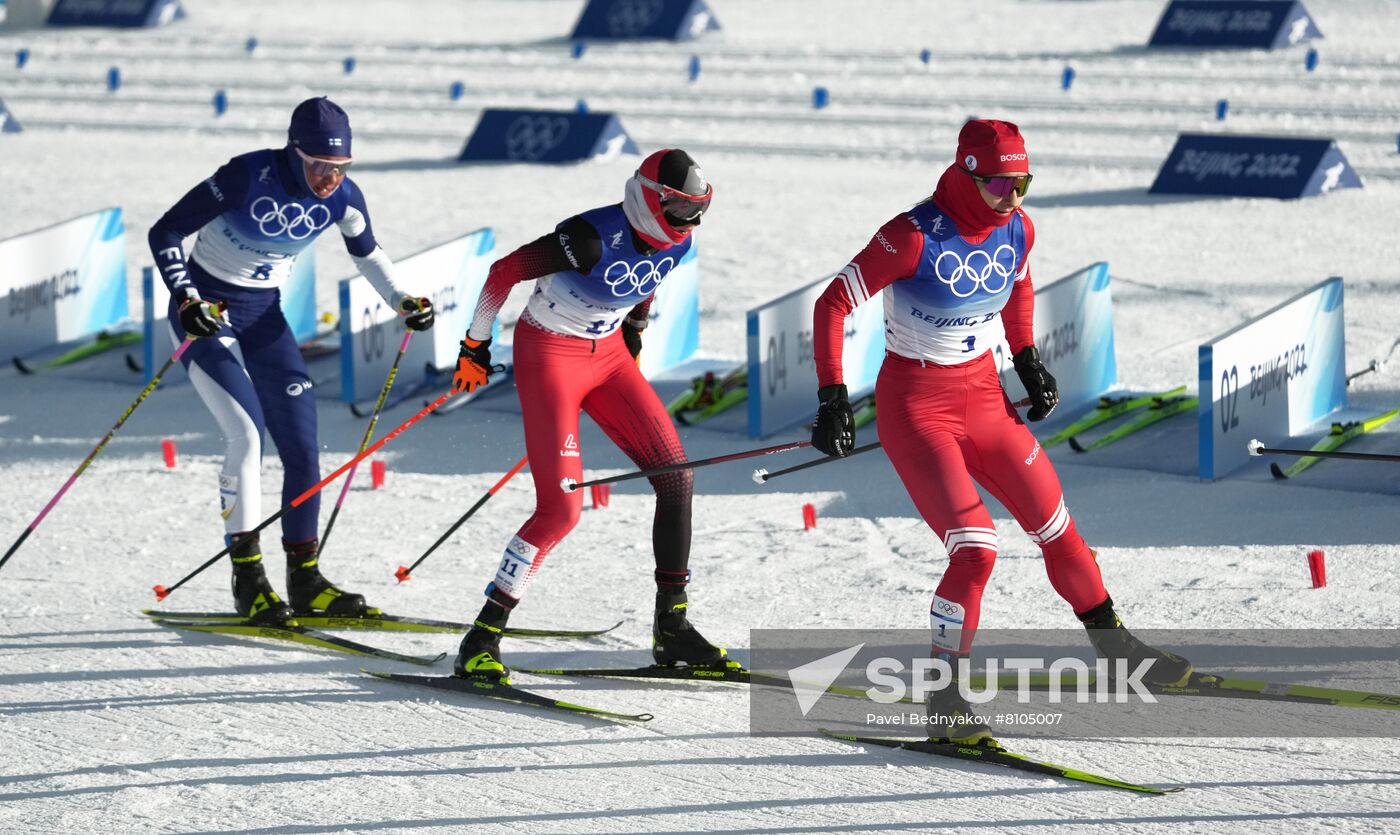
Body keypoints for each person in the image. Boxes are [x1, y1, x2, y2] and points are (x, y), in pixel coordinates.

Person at [809, 119, 1191, 744]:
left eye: (1024, 184)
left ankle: (1117, 648)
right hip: (916, 406)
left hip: (984, 396)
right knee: (977, 548)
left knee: (1058, 527)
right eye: (1000, 185)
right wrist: (831, 397)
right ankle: (944, 700)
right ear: (966, 173)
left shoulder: (1018, 226)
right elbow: (832, 305)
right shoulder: (910, 235)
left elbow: (1017, 281)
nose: (1013, 198)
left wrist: (1027, 357)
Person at [147, 97, 435, 624]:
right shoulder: (246, 175)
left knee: (303, 447)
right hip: (206, 311)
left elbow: (368, 253)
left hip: (263, 317)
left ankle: (305, 580)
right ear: (294, 152)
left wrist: (402, 302)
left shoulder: (344, 198)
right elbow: (164, 231)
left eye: (340, 167)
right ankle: (249, 581)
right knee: (247, 436)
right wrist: (188, 299)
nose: (329, 178)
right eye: (320, 166)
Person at [449, 148, 726, 682]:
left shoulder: (680, 238)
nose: (689, 222)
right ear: (648, 200)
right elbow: (502, 273)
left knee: (676, 479)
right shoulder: (590, 237)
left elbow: (650, 277)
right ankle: (483, 634)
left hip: (609, 358)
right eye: (679, 210)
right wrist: (474, 346)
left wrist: (636, 329)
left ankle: (671, 627)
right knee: (561, 511)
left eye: (698, 211)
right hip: (551, 354)